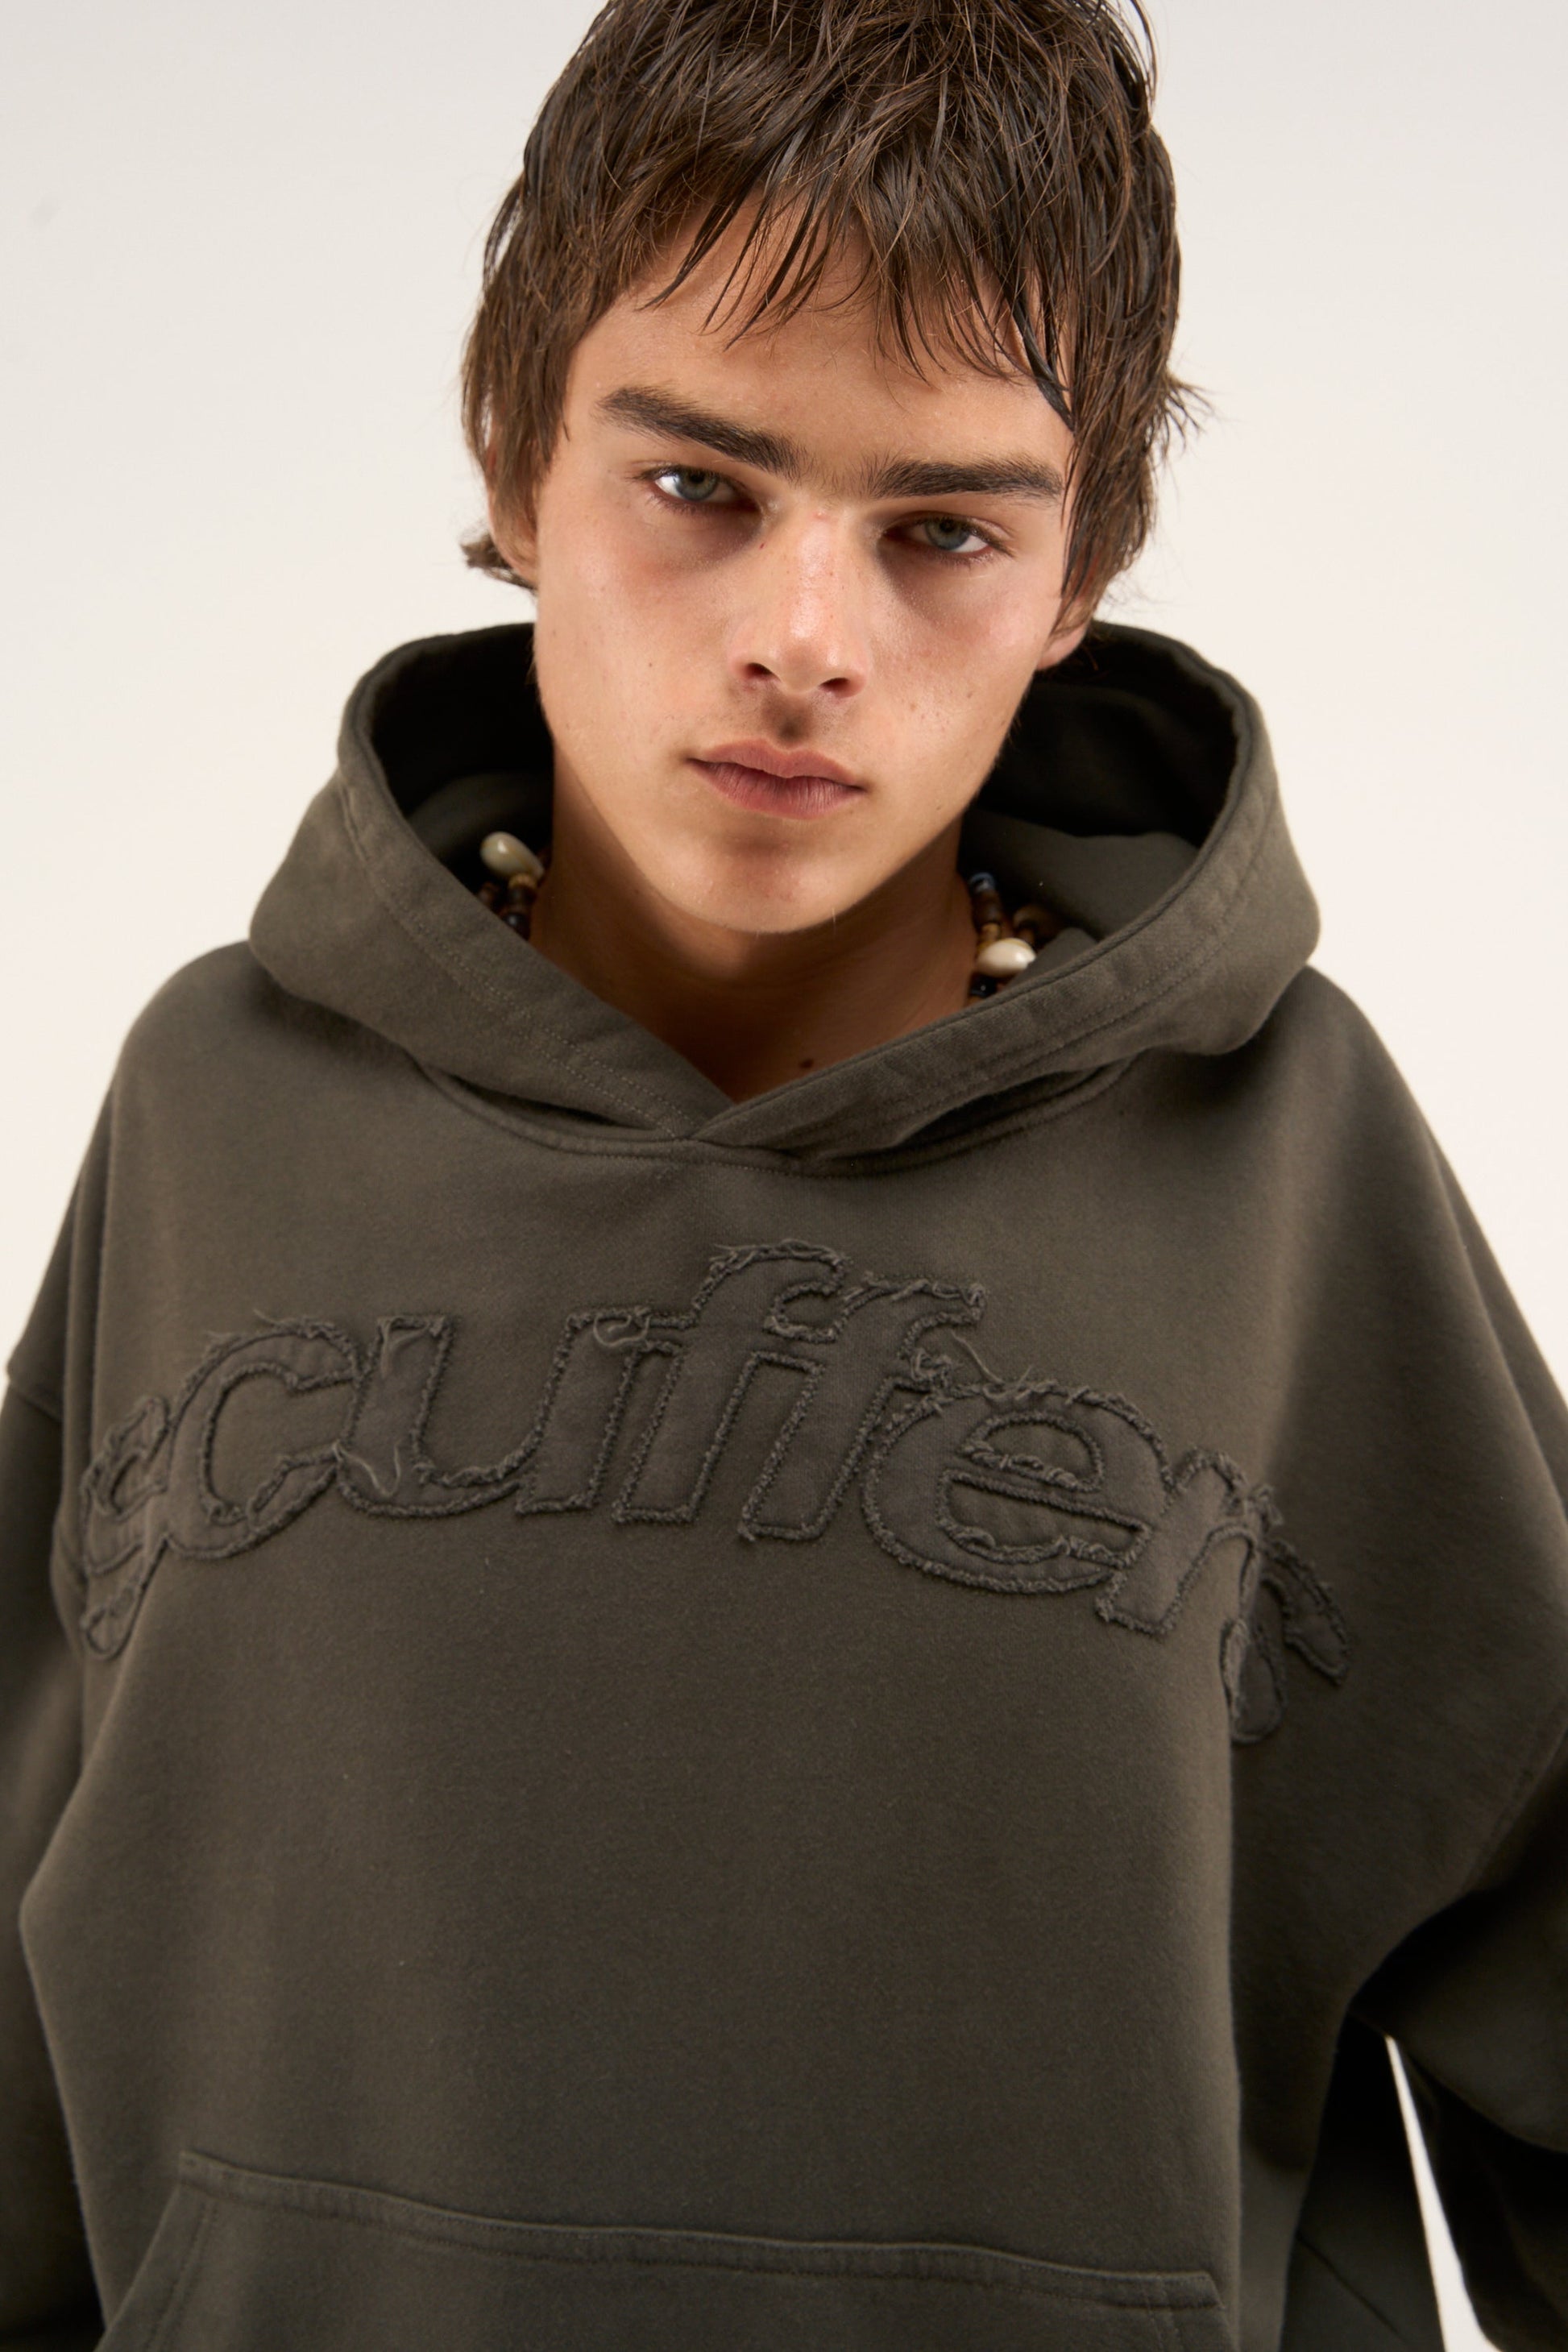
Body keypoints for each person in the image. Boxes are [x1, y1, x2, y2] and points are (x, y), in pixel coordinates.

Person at [2, 0, 1565, 2344]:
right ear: (518, 459)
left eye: (941, 531)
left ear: (1077, 576)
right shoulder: (221, 1108)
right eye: (699, 490)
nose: (802, 642)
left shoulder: (1286, 1160)